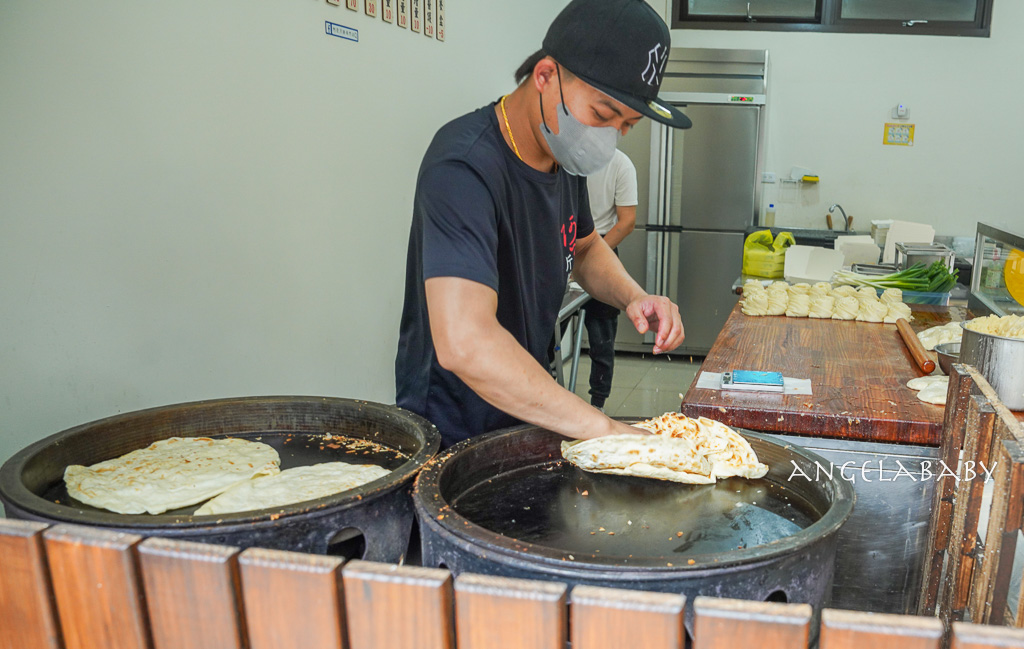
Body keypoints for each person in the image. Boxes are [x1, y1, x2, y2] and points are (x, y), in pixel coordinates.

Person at [395, 0, 691, 449]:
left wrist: (635, 296)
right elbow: (465, 341)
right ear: (546, 76)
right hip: (454, 433)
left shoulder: (562, 158)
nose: (607, 139)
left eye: (625, 126)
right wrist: (603, 427)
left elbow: (586, 248)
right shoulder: (463, 166)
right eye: (603, 115)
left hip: (528, 415)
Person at [583, 149, 638, 411]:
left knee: (601, 337)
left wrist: (595, 257)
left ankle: (598, 405)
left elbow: (626, 222)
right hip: (562, 244)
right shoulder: (567, 159)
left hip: (603, 246)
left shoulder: (620, 164)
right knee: (547, 331)